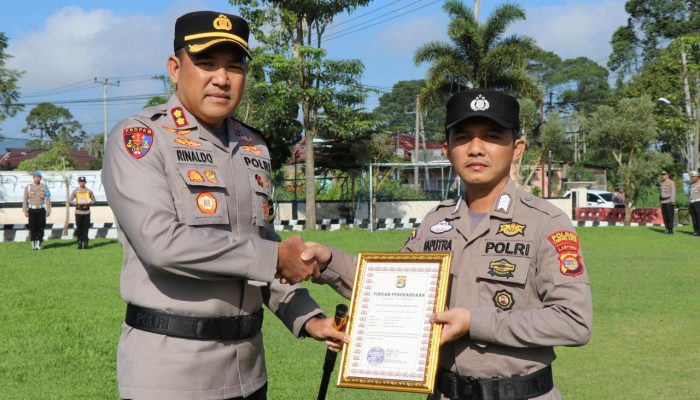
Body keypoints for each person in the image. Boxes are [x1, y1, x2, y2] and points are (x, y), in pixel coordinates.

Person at [101, 11, 342, 400]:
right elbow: (161, 243)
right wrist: (273, 257)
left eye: (235, 66)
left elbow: (261, 242)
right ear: (175, 68)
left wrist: (309, 318)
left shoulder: (253, 146)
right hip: (171, 373)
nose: (222, 78)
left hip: (249, 370)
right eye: (207, 63)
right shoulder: (141, 139)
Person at [303, 89, 593, 400]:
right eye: (463, 138)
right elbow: (387, 289)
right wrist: (329, 261)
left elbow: (573, 321)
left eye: (492, 136)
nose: (476, 149)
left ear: (517, 148)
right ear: (447, 148)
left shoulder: (545, 223)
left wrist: (474, 322)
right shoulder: (435, 222)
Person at [22, 171, 51, 250]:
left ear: (40, 178)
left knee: (41, 227)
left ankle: (39, 243)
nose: (37, 179)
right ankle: (33, 243)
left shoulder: (44, 187)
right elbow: (25, 199)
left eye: (39, 177)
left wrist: (48, 210)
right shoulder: (28, 187)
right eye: (36, 177)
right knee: (32, 227)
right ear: (33, 178)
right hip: (32, 210)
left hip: (41, 209)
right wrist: (25, 210)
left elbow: (48, 199)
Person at [69, 176, 96, 249]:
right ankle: (80, 242)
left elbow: (94, 200)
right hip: (78, 212)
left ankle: (85, 242)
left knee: (86, 228)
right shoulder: (76, 191)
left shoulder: (89, 191)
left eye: (83, 182)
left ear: (85, 182)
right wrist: (77, 204)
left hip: (86, 212)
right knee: (79, 227)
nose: (82, 183)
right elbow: (70, 200)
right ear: (78, 182)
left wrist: (90, 203)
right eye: (80, 182)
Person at [660, 169, 676, 234]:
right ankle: (666, 228)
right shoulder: (662, 183)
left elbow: (673, 191)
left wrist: (672, 200)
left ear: (668, 175)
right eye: (662, 174)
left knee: (670, 216)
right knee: (665, 216)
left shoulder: (671, 182)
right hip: (663, 202)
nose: (663, 175)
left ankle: (670, 230)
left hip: (669, 201)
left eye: (664, 174)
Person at [688, 171, 700, 236]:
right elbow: (690, 194)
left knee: (698, 217)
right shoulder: (691, 184)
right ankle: (695, 231)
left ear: (697, 177)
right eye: (691, 176)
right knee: (693, 218)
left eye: (693, 176)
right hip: (691, 202)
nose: (692, 178)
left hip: (698, 202)